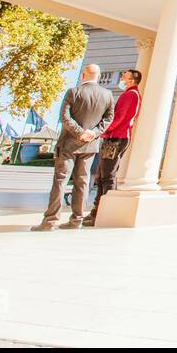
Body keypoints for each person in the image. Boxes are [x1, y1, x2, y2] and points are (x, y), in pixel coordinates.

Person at [32, 63, 113, 232]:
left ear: (83, 75)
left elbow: (64, 117)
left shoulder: (74, 92)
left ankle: (50, 220)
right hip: (90, 145)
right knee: (82, 182)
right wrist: (93, 133)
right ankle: (76, 220)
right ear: (98, 76)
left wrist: (79, 132)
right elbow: (108, 118)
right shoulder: (107, 95)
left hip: (69, 143)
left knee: (60, 180)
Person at [87, 69, 141, 226]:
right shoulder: (131, 94)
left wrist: (102, 130)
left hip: (116, 138)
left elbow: (119, 117)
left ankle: (105, 212)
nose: (122, 77)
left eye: (125, 75)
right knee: (103, 175)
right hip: (116, 137)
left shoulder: (130, 95)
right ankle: (97, 211)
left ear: (131, 80)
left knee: (108, 175)